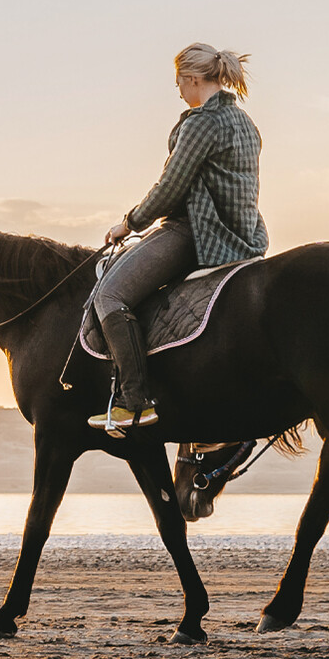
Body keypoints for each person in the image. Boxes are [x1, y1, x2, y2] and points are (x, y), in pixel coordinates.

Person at [89, 42, 269, 435]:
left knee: (109, 295)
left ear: (191, 79)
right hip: (246, 236)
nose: (180, 93)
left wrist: (130, 223)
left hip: (198, 233)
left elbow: (171, 187)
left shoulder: (201, 123)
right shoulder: (244, 121)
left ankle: (134, 402)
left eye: (179, 85)